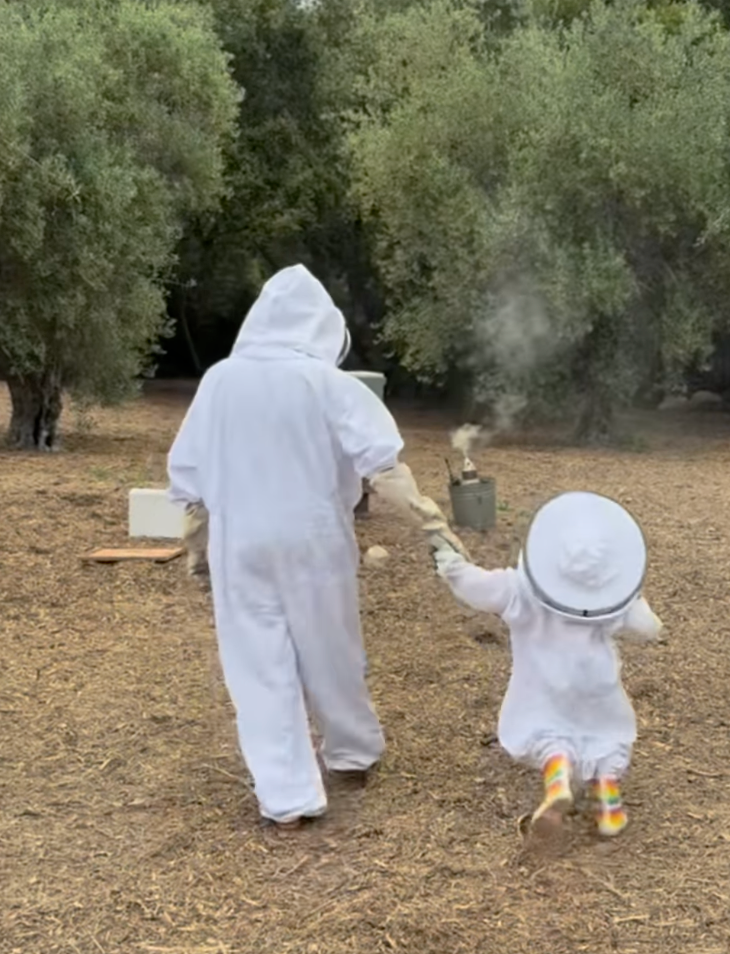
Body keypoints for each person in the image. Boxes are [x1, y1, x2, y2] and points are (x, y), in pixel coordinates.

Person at [167, 264, 459, 830]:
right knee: (332, 647)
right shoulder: (329, 384)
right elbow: (384, 467)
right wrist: (432, 524)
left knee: (257, 665)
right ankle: (352, 751)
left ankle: (287, 795)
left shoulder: (219, 381)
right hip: (315, 538)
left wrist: (196, 546)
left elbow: (190, 479)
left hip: (239, 541)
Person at [432, 490, 664, 838]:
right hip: (596, 681)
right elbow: (649, 627)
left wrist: (450, 563)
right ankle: (608, 802)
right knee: (605, 733)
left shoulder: (520, 589)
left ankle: (558, 781)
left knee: (547, 731)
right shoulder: (608, 602)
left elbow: (476, 586)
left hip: (543, 682)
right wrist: (630, 597)